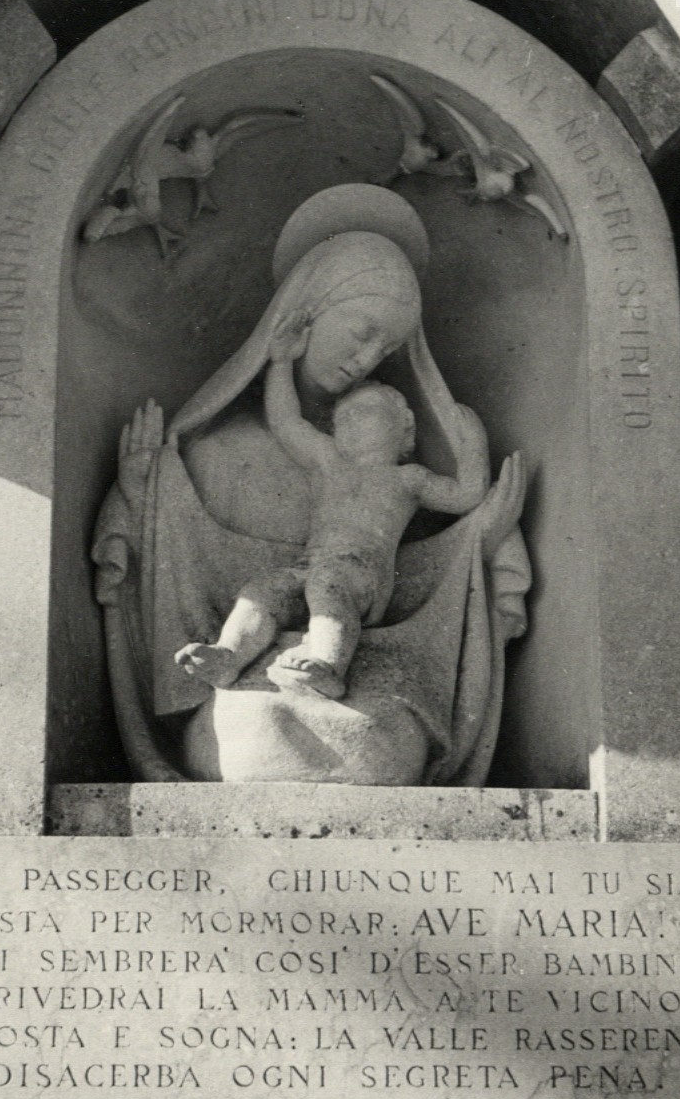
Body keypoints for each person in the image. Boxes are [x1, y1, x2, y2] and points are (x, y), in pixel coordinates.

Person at [92, 188, 532, 785]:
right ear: (306, 315)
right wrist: (146, 497)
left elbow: (437, 572)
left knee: (381, 740)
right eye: (361, 331)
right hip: (256, 682)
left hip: (374, 676)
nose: (367, 358)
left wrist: (482, 534)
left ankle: (325, 665)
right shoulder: (226, 451)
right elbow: (174, 576)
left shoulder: (403, 472)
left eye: (387, 348)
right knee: (251, 733)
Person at [173, 335, 525, 700]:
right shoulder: (329, 463)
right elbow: (285, 422)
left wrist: (473, 445)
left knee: (327, 582)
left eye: (366, 411)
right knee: (263, 590)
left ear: (404, 424)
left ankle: (328, 665)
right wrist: (281, 363)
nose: (352, 420)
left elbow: (466, 496)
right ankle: (229, 656)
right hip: (308, 565)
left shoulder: (408, 478)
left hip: (363, 574)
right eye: (343, 417)